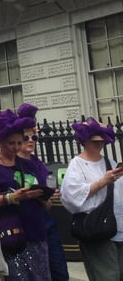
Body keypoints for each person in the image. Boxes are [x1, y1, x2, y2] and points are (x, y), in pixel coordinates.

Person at [0, 109, 51, 281]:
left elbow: (45, 201)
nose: (16, 147)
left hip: (37, 231)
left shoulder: (28, 164)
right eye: (11, 143)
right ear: (1, 141)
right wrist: (10, 198)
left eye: (19, 142)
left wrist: (42, 197)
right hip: (11, 234)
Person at [60, 117, 123, 281]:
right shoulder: (77, 164)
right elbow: (71, 197)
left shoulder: (110, 162)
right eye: (95, 141)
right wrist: (103, 181)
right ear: (85, 140)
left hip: (118, 226)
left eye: (102, 141)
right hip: (97, 228)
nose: (99, 144)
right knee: (108, 276)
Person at [15, 104, 69, 281]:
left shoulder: (39, 165)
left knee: (59, 273)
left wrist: (47, 197)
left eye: (34, 137)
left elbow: (48, 206)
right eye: (26, 137)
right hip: (22, 228)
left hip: (46, 226)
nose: (31, 140)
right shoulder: (11, 165)